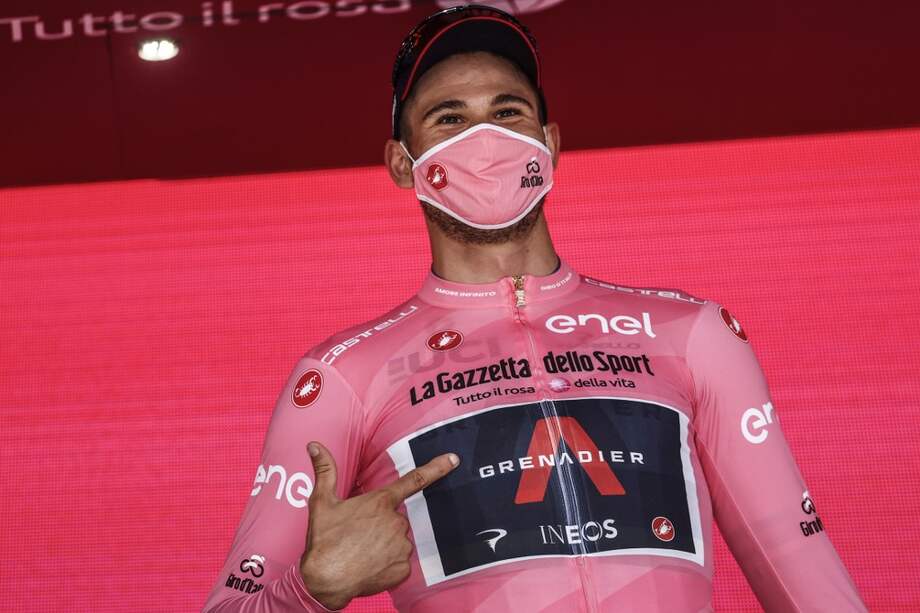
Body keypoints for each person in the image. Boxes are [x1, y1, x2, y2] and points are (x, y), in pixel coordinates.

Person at [203, 5, 867, 612]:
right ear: (404, 165)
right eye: (450, 117)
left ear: (549, 142)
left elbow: (807, 579)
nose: (485, 136)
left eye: (508, 110)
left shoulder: (692, 333)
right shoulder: (343, 376)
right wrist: (310, 590)